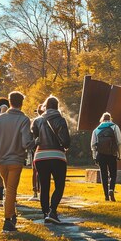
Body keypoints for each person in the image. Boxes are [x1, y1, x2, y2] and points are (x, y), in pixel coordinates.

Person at [0, 91, 35, 232]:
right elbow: (27, 143)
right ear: (22, 103)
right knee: (11, 190)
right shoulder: (24, 120)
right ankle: (8, 221)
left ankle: (12, 216)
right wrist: (37, 141)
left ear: (10, 102)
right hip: (16, 160)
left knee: (9, 190)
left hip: (1, 161)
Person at [31, 96, 71, 224]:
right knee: (59, 185)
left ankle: (45, 213)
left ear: (45, 106)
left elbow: (34, 137)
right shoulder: (61, 120)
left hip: (40, 156)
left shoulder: (37, 121)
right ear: (57, 106)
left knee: (44, 186)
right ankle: (53, 211)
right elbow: (66, 142)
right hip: (57, 156)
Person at [90, 112, 121, 201]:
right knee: (113, 174)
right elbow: (119, 142)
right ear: (110, 119)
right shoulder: (115, 127)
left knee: (103, 175)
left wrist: (94, 157)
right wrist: (119, 154)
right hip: (112, 154)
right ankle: (111, 189)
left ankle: (106, 196)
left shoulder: (96, 130)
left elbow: (93, 145)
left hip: (101, 155)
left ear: (102, 119)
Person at [28, 104, 45, 201]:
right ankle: (37, 191)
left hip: (36, 150)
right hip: (39, 149)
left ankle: (36, 191)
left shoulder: (35, 122)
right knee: (38, 172)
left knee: (36, 172)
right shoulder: (40, 121)